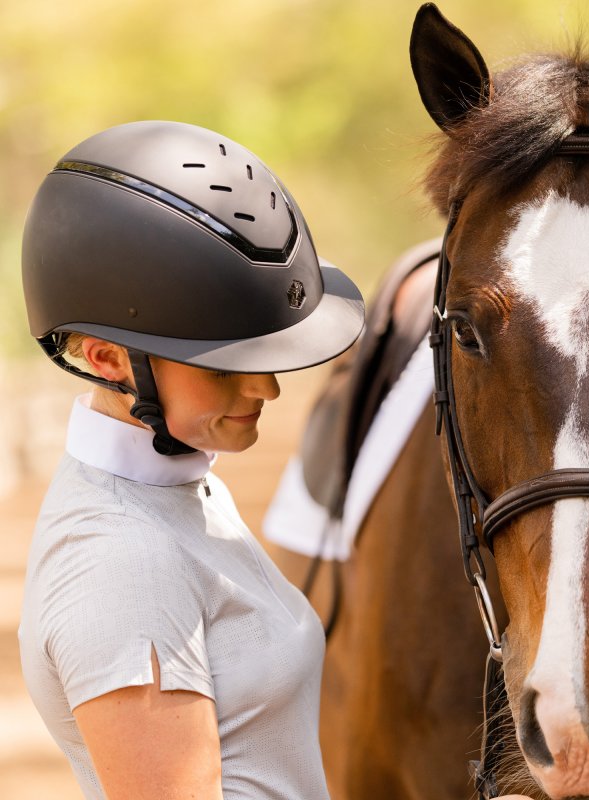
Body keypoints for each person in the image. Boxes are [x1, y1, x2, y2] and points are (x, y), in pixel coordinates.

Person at [18, 120, 533, 800]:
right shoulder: (123, 568)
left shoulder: (178, 484)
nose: (265, 388)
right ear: (107, 358)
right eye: (227, 366)